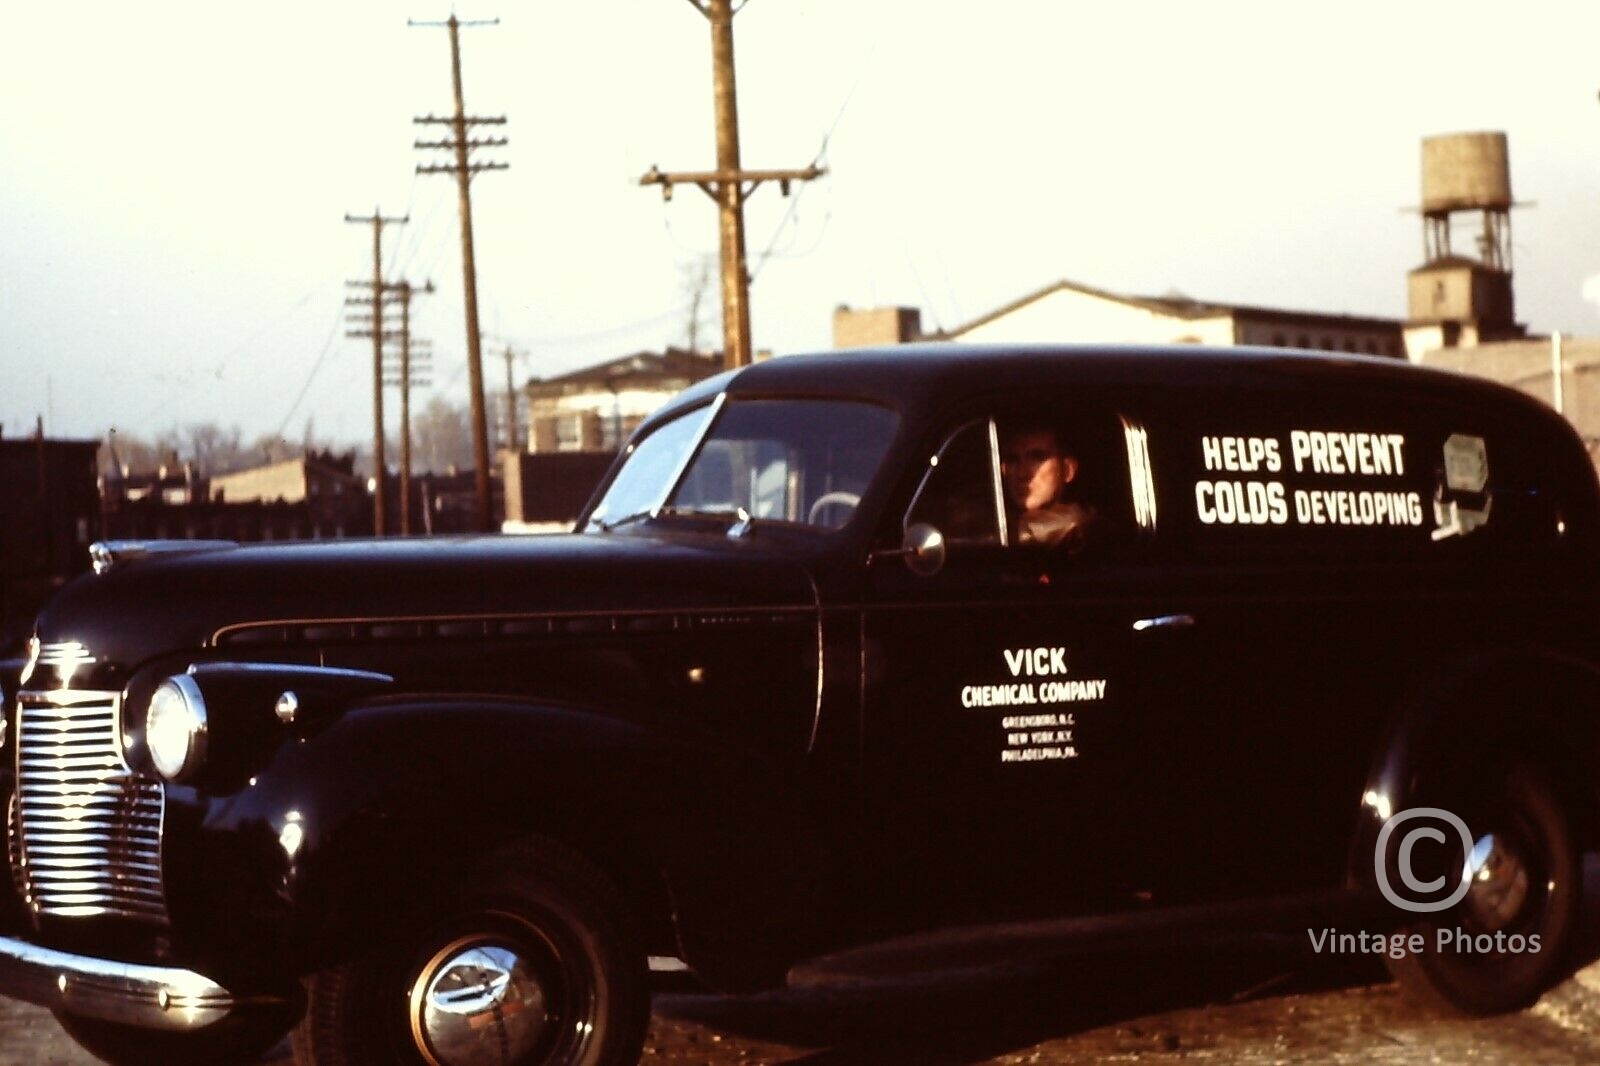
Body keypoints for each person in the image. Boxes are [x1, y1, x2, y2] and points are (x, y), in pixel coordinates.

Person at [999, 422, 1096, 549]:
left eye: (1037, 457)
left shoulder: (1087, 535)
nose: (1022, 473)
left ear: (1067, 470)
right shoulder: (993, 526)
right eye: (1012, 459)